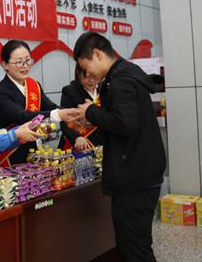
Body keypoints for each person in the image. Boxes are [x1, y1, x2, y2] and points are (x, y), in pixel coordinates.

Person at [73, 32, 166, 262]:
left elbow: (125, 123)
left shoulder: (120, 81)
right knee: (132, 245)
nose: (87, 74)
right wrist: (94, 118)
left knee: (135, 250)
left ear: (97, 54)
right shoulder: (124, 75)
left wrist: (91, 111)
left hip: (134, 177)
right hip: (139, 172)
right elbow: (123, 121)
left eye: (85, 67)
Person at [0, 39, 78, 166]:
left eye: (27, 60)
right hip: (11, 156)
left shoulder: (34, 85)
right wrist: (58, 114)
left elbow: (51, 107)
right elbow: (21, 116)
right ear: (5, 65)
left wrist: (74, 113)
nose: (25, 65)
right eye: (19, 62)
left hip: (33, 153)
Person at [57, 63, 103, 151]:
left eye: (94, 77)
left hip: (101, 144)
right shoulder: (70, 91)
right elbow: (65, 120)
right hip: (79, 144)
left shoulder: (104, 89)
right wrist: (77, 137)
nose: (91, 81)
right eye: (86, 76)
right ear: (78, 73)